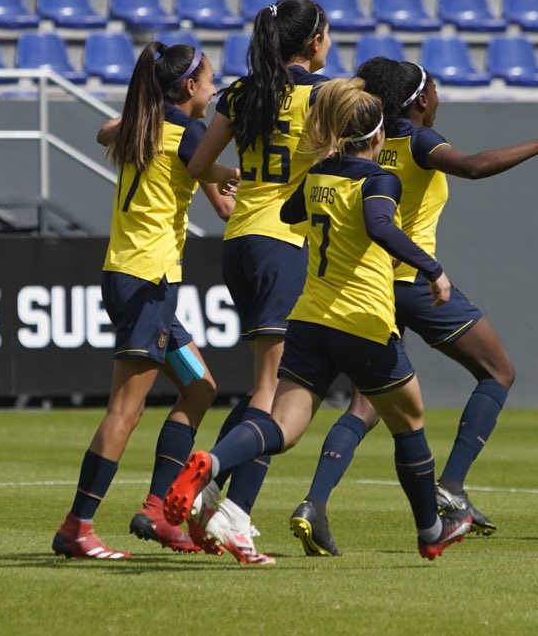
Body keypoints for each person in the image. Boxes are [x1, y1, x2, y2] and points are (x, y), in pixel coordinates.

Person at [289, 58, 538, 557]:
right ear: (419, 100)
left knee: (365, 406)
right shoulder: (416, 140)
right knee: (498, 371)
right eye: (434, 89)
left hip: (373, 288)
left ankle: (315, 504)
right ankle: (451, 487)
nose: (439, 97)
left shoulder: (366, 140)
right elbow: (474, 166)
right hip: (415, 284)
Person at [164, 77, 473, 561]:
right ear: (374, 137)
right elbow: (378, 224)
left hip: (309, 320)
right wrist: (432, 269)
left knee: (282, 428)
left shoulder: (318, 176)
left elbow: (289, 214)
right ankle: (431, 530)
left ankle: (211, 462)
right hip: (364, 320)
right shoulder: (379, 179)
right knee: (409, 419)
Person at [52, 43, 240, 559]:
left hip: (130, 277)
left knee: (200, 387)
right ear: (187, 90)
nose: (214, 90)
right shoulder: (191, 134)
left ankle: (158, 510)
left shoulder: (145, 126)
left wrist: (217, 178)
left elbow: (105, 132)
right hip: (148, 282)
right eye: (209, 83)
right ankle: (77, 527)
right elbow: (214, 177)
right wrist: (241, 175)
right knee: (126, 410)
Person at [185, 0, 330, 564]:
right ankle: (230, 510)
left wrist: (230, 186)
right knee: (279, 392)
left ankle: (214, 492)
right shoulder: (322, 95)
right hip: (285, 246)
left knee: (262, 387)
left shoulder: (242, 92)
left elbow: (197, 165)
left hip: (240, 243)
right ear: (313, 40)